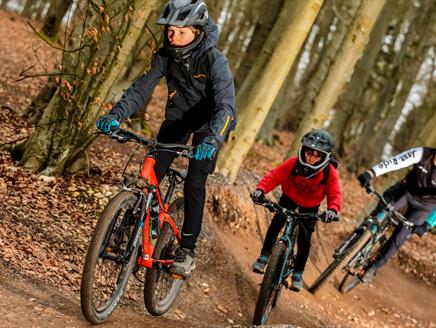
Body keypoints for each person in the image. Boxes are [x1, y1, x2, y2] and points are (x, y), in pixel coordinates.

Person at [96, 0, 236, 278]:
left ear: (196, 31)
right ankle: (125, 231)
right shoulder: (165, 55)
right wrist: (115, 115)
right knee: (149, 174)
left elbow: (227, 108)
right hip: (178, 120)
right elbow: (140, 89)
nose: (174, 37)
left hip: (210, 127)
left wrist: (211, 141)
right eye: (170, 31)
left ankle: (187, 249)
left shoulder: (215, 61)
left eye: (181, 32)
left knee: (195, 182)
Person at [251, 129, 342, 292]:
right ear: (303, 150)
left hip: (311, 206)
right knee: (277, 222)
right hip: (290, 197)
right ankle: (264, 256)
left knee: (304, 239)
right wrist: (260, 190)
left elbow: (335, 193)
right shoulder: (293, 163)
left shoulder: (329, 172)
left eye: (317, 155)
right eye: (309, 153)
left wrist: (332, 210)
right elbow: (274, 176)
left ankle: (298, 273)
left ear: (324, 157)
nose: (312, 158)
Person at [357, 147, 436, 283]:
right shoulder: (423, 154)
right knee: (384, 209)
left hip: (424, 207)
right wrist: (371, 173)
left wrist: (427, 224)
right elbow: (396, 162)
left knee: (400, 237)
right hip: (406, 191)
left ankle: (372, 267)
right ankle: (361, 236)